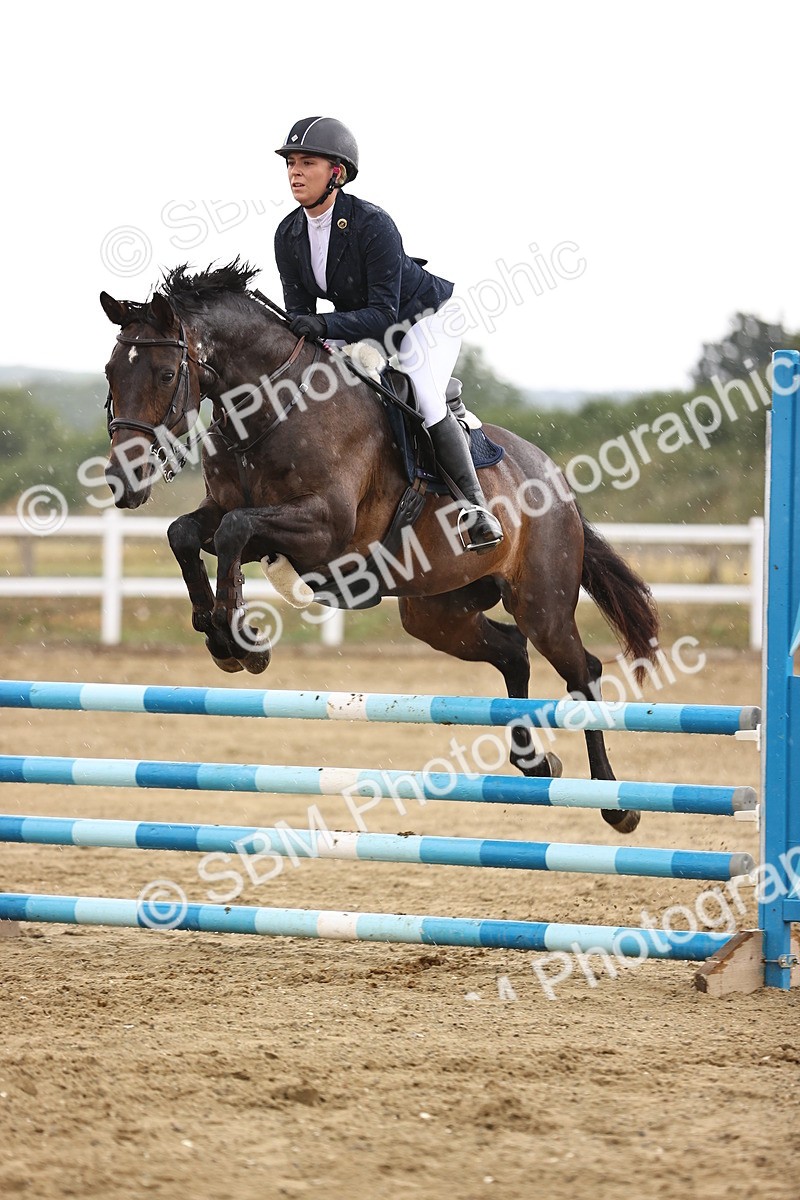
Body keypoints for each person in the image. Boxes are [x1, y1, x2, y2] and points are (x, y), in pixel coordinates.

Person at [273, 116, 503, 553]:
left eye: (307, 163)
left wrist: (324, 325)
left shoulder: (372, 224)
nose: (295, 173)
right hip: (361, 323)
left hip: (424, 319)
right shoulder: (288, 233)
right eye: (290, 163)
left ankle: (477, 511)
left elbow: (383, 315)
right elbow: (300, 317)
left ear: (336, 173)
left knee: (424, 393)